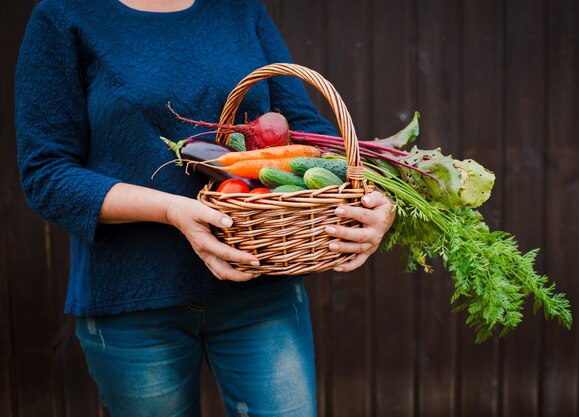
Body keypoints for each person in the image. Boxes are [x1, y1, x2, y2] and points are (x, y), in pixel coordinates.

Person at [15, 0, 395, 415]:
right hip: (134, 300)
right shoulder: (64, 15)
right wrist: (172, 210)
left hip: (259, 288)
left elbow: (311, 133)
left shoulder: (238, 9)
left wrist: (374, 197)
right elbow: (46, 174)